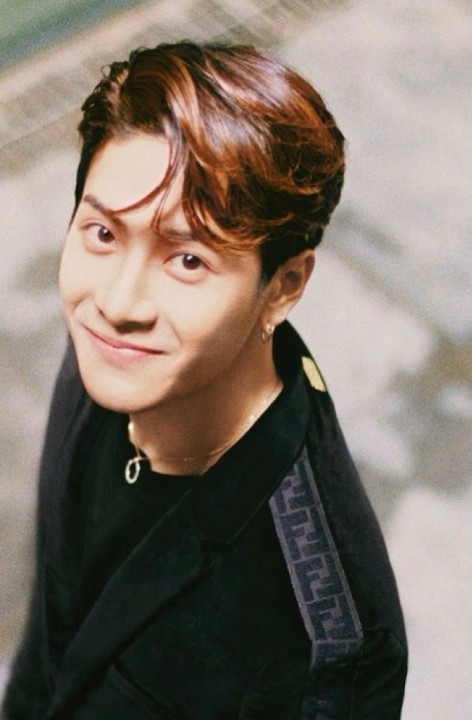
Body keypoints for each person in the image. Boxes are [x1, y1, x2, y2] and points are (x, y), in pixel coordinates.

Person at [2, 42, 407, 719]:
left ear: (283, 286)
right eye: (103, 234)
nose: (117, 302)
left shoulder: (323, 639)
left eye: (187, 260)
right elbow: (51, 632)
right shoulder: (109, 354)